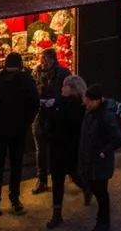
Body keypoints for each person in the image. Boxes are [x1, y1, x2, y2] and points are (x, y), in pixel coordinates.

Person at [0, 51, 39, 217]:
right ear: (20, 64)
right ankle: (15, 199)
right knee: (16, 166)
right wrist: (26, 121)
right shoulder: (27, 80)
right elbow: (34, 104)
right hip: (19, 130)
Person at [78, 84, 121, 231]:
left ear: (97, 100)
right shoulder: (91, 112)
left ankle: (104, 222)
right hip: (91, 159)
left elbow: (117, 138)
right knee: (96, 188)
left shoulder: (106, 116)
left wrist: (103, 152)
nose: (86, 102)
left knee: (101, 191)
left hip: (100, 161)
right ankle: (102, 219)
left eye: (88, 100)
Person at [44, 75, 87, 229]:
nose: (62, 88)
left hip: (72, 148)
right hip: (57, 148)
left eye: (65, 85)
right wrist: (48, 134)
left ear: (73, 88)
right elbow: (50, 121)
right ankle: (56, 215)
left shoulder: (81, 106)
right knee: (57, 181)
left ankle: (86, 189)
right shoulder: (58, 102)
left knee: (74, 174)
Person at [33, 47, 71, 196]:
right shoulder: (36, 73)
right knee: (40, 150)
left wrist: (55, 101)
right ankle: (42, 179)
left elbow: (69, 94)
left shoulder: (63, 73)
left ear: (53, 59)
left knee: (59, 147)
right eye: (41, 59)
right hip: (40, 114)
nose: (43, 62)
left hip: (56, 114)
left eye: (46, 59)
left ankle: (64, 174)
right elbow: (33, 90)